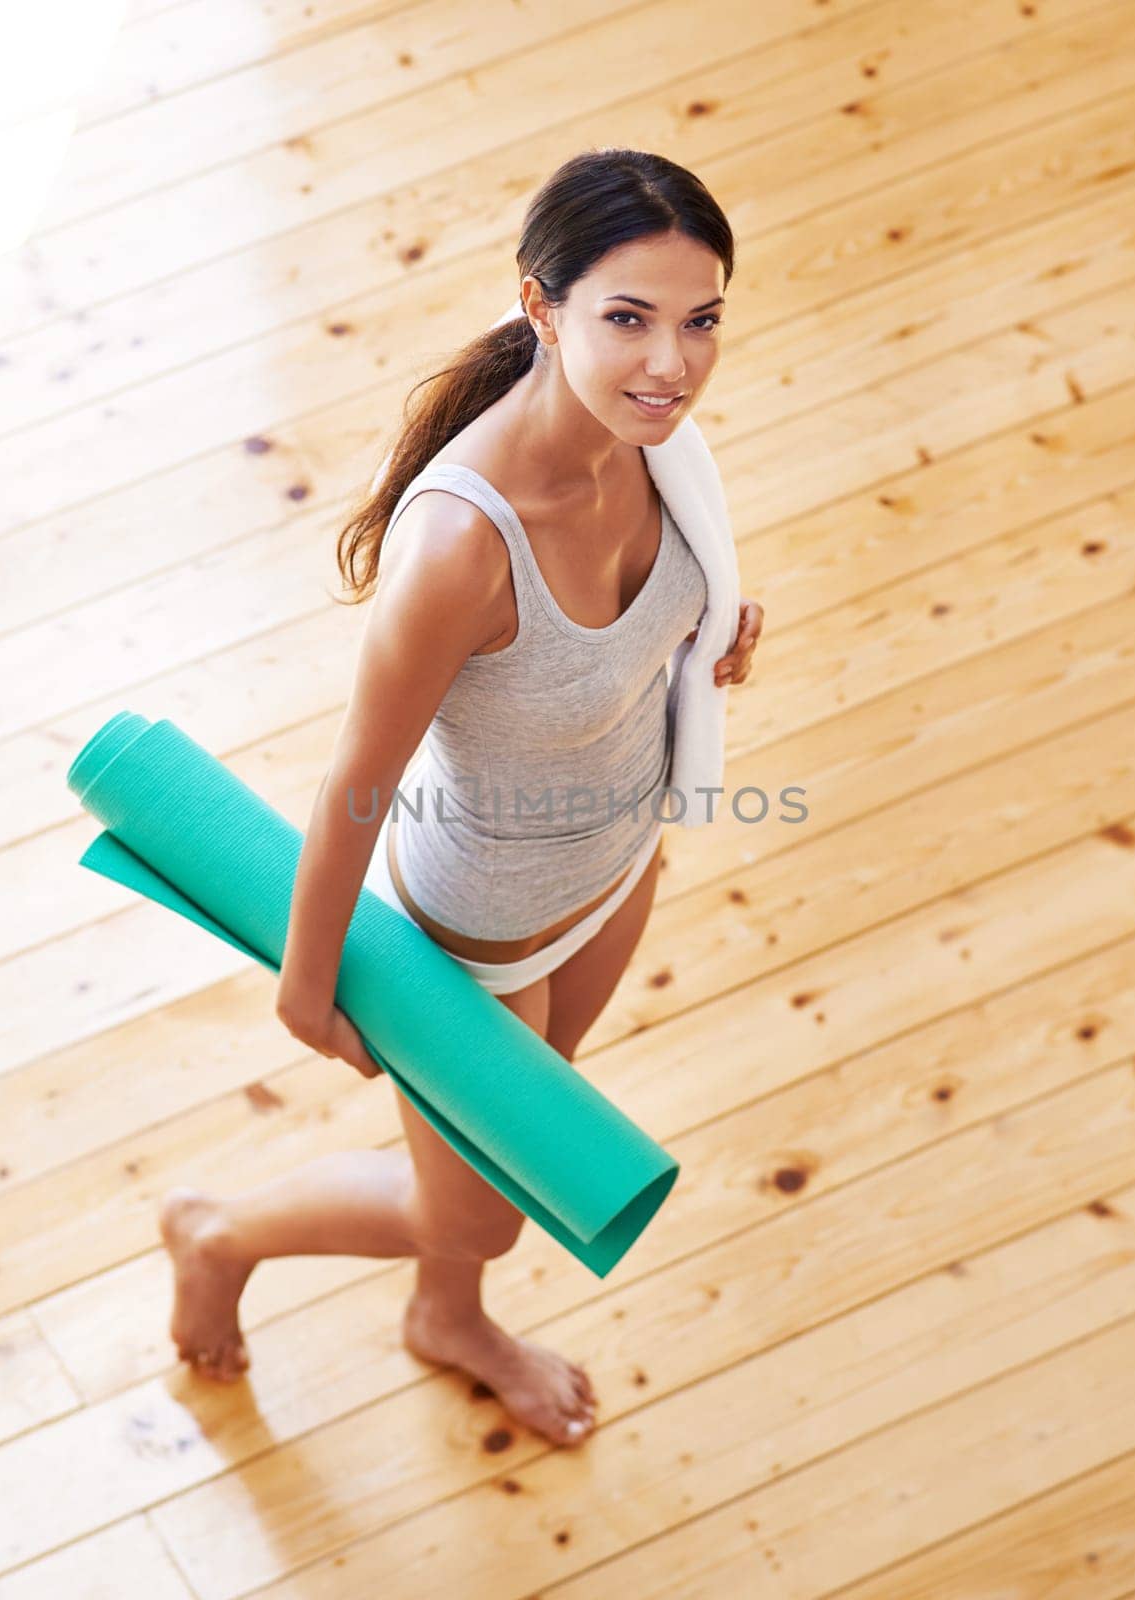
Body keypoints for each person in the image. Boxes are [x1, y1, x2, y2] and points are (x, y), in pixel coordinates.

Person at [157, 147, 763, 1448]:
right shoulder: (458, 549)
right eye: (629, 320)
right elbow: (356, 783)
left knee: (490, 1170)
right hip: (482, 929)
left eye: (701, 319)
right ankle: (219, 1231)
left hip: (618, 865)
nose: (674, 363)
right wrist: (308, 984)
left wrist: (710, 627)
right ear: (539, 308)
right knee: (482, 1206)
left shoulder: (657, 443)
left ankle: (448, 1320)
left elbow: (633, 635)